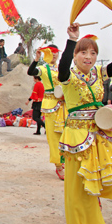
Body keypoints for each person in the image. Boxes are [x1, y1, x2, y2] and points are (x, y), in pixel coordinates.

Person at [58, 19, 112, 224]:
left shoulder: (100, 72)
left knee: (102, 179)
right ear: (75, 55)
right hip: (77, 137)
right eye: (83, 53)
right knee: (80, 187)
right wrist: (71, 40)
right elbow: (62, 66)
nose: (88, 57)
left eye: (93, 53)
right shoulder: (67, 77)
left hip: (99, 135)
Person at [27, 45, 68, 179]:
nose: (54, 55)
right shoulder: (43, 69)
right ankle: (58, 165)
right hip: (51, 105)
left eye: (56, 52)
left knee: (67, 135)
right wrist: (37, 59)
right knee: (54, 136)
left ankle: (68, 161)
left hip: (66, 105)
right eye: (51, 52)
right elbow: (31, 71)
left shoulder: (63, 68)